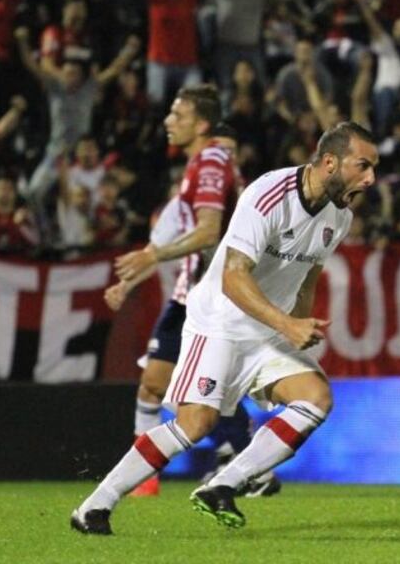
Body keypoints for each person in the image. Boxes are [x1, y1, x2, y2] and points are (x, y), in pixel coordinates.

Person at [71, 121, 379, 535]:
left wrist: (299, 324)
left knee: (316, 399)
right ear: (329, 162)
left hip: (269, 329)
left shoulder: (338, 216)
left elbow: (306, 275)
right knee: (195, 424)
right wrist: (288, 324)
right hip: (220, 320)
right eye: (363, 166)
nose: (370, 178)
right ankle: (95, 505)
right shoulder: (268, 196)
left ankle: (223, 485)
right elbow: (234, 278)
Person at [96, 92, 253, 498]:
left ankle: (246, 460)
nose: (168, 120)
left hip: (215, 298)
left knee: (207, 390)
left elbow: (207, 232)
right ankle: (147, 477)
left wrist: (153, 257)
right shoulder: (196, 169)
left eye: (177, 114)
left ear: (202, 126)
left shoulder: (213, 161)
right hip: (192, 294)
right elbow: (162, 240)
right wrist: (131, 279)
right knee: (154, 384)